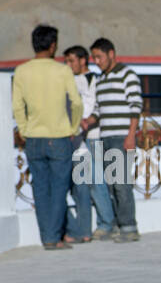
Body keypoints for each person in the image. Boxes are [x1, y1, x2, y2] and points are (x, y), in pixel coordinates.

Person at [12, 25, 82, 250]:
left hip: (33, 138)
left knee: (40, 188)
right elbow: (77, 102)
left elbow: (17, 106)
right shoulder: (62, 71)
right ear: (53, 45)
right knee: (59, 188)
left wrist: (23, 129)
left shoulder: (21, 71)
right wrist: (73, 126)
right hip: (59, 136)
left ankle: (47, 236)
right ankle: (53, 237)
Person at [89, 37, 143, 242]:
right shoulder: (101, 79)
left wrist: (131, 136)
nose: (96, 61)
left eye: (99, 57)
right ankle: (117, 225)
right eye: (94, 57)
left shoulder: (126, 75)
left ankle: (130, 227)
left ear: (111, 54)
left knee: (121, 183)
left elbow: (136, 106)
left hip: (121, 137)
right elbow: (98, 110)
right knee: (111, 183)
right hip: (105, 136)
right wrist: (88, 122)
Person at [61, 45, 106, 242]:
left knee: (97, 182)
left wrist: (87, 122)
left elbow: (98, 107)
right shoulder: (67, 81)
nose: (68, 65)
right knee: (79, 184)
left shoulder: (95, 80)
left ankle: (106, 223)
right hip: (75, 137)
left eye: (71, 61)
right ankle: (84, 229)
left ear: (82, 60)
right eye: (66, 61)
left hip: (93, 136)